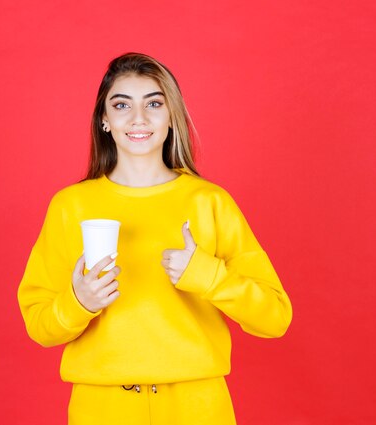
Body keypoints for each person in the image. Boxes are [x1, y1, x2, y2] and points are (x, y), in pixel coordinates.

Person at [17, 52, 292, 425]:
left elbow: (274, 319)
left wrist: (207, 275)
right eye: (121, 105)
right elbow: (39, 325)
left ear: (170, 117)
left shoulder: (209, 202)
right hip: (102, 408)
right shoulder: (70, 206)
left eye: (154, 103)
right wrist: (78, 301)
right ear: (104, 120)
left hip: (197, 406)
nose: (138, 119)